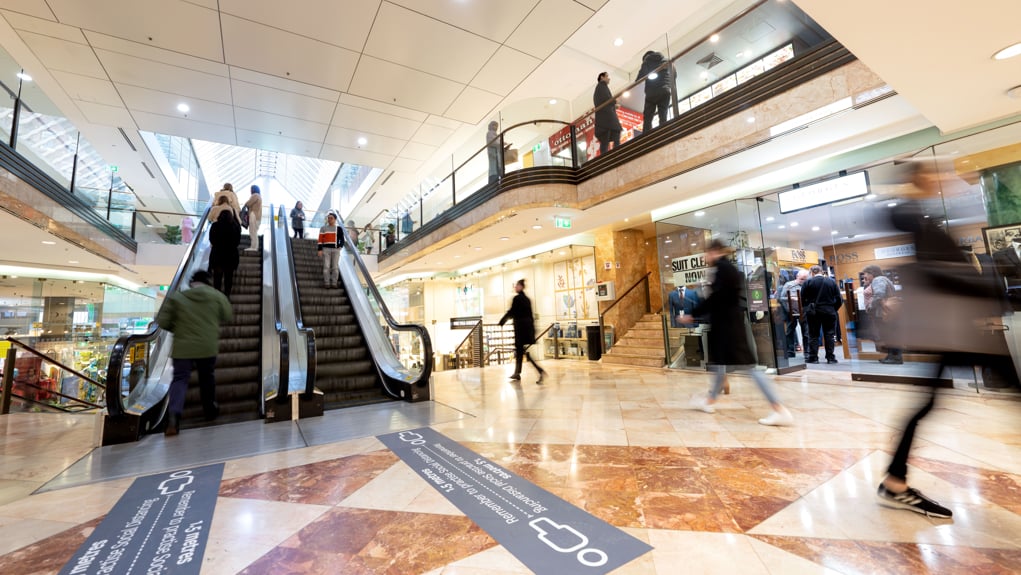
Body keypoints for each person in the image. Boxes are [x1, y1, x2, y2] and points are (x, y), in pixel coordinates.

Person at [876, 162, 1013, 518]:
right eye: (932, 176)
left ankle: (894, 480)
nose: (941, 180)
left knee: (927, 403)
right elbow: (936, 269)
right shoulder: (913, 216)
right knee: (931, 402)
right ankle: (894, 481)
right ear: (917, 180)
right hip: (951, 327)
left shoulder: (925, 218)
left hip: (957, 325)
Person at [686, 240, 793, 426]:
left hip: (728, 328)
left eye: (706, 253)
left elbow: (716, 298)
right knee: (720, 365)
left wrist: (693, 314)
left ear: (713, 252)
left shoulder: (723, 269)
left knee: (749, 368)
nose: (705, 257)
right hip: (726, 326)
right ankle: (709, 401)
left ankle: (779, 409)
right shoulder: (727, 269)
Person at [156, 270, 232, 436]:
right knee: (207, 378)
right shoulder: (217, 296)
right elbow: (228, 314)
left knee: (180, 379)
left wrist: (178, 328)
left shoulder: (177, 297)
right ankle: (210, 409)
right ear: (208, 282)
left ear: (192, 282)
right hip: (207, 345)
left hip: (182, 348)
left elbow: (162, 321)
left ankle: (174, 416)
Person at [499, 279, 546, 384]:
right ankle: (517, 373)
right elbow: (530, 316)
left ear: (521, 287)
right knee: (520, 352)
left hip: (520, 330)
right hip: (527, 330)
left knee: (523, 352)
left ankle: (539, 371)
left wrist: (502, 321)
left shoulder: (517, 298)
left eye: (516, 286)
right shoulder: (527, 299)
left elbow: (512, 312)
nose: (515, 287)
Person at [800, 265, 842, 364]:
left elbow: (802, 299)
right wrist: (833, 308)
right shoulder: (831, 281)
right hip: (829, 310)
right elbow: (839, 299)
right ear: (821, 271)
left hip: (813, 311)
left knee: (813, 335)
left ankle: (813, 357)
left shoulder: (808, 282)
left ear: (811, 272)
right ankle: (830, 358)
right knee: (829, 334)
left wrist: (807, 309)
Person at [862, 264, 901, 364]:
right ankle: (892, 356)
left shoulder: (878, 280)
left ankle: (895, 358)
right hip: (890, 310)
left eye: (866, 274)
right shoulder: (883, 279)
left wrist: (871, 306)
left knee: (890, 334)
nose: (864, 276)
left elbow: (879, 295)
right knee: (890, 334)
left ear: (872, 273)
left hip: (885, 311)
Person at [637, 51, 672, 135]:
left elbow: (639, 78)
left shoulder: (646, 61)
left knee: (648, 117)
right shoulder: (665, 60)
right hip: (665, 91)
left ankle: (646, 137)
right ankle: (664, 134)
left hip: (651, 93)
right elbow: (674, 74)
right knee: (663, 114)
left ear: (645, 57)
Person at [208, 209, 241, 297]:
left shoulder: (215, 225)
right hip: (230, 257)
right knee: (228, 279)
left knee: (217, 280)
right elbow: (237, 242)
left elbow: (211, 239)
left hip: (217, 256)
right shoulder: (235, 226)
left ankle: (217, 297)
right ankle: (226, 297)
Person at [778, 269, 809, 359]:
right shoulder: (789, 285)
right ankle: (790, 351)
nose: (803, 281)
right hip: (790, 312)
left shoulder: (807, 285)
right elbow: (781, 298)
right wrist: (791, 299)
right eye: (802, 279)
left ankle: (807, 352)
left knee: (806, 332)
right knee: (790, 331)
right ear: (797, 277)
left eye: (805, 279)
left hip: (803, 312)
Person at [593, 72, 621, 155]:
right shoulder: (601, 86)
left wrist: (613, 105)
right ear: (602, 77)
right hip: (607, 118)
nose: (609, 78)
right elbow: (606, 98)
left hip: (606, 118)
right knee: (611, 136)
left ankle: (607, 156)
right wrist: (614, 101)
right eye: (607, 76)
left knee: (607, 138)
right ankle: (616, 153)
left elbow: (604, 101)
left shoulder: (600, 87)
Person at [318, 211, 341, 288]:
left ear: (335, 219)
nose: (329, 219)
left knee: (335, 267)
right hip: (326, 249)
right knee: (326, 266)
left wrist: (340, 246)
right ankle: (327, 283)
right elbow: (320, 239)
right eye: (328, 218)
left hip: (336, 250)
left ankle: (334, 283)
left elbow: (342, 239)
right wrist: (319, 250)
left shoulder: (338, 229)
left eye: (331, 218)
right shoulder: (323, 228)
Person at [244, 185, 263, 251]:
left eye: (251, 189)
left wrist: (246, 203)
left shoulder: (255, 195)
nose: (250, 190)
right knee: (254, 232)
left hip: (253, 215)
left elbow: (248, 203)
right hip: (258, 216)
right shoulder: (259, 196)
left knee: (252, 231)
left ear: (254, 189)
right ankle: (255, 246)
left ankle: (253, 247)